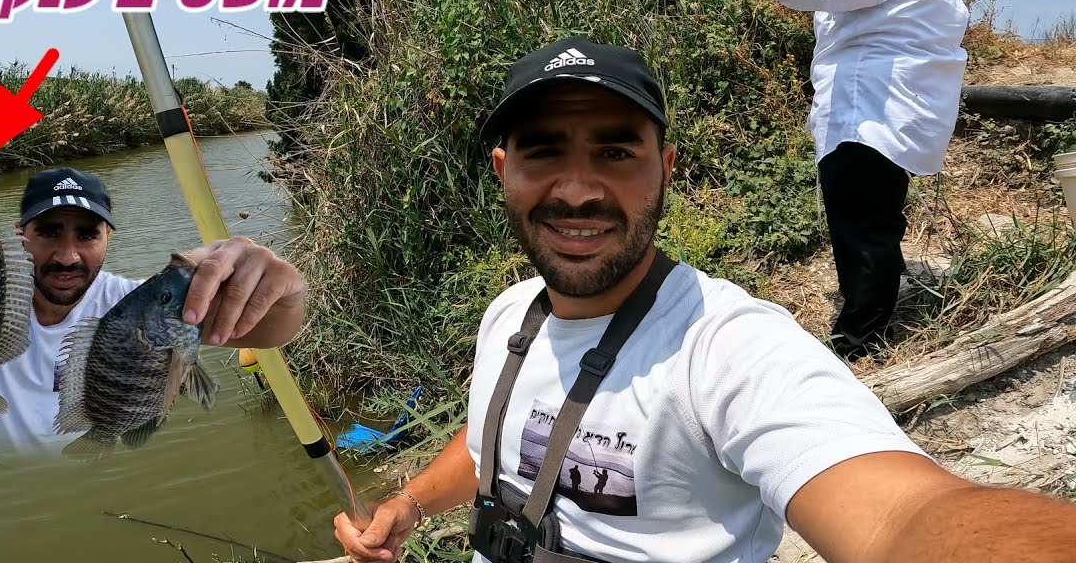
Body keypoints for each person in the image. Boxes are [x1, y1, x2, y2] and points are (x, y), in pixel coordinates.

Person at [332, 38, 1076, 563]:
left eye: (616, 151)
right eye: (545, 150)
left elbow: (905, 517)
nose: (579, 189)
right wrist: (410, 505)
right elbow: (490, 442)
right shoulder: (509, 315)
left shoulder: (728, 347)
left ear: (666, 168)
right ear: (504, 170)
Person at [0, 140, 306, 460]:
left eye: (87, 234)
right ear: (19, 234)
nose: (67, 255)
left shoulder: (133, 305)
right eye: (47, 232)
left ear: (109, 239)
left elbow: (270, 330)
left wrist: (287, 291)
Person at [672, 0, 969, 360]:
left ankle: (858, 342)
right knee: (867, 222)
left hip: (869, 119)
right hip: (877, 118)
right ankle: (874, 312)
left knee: (862, 229)